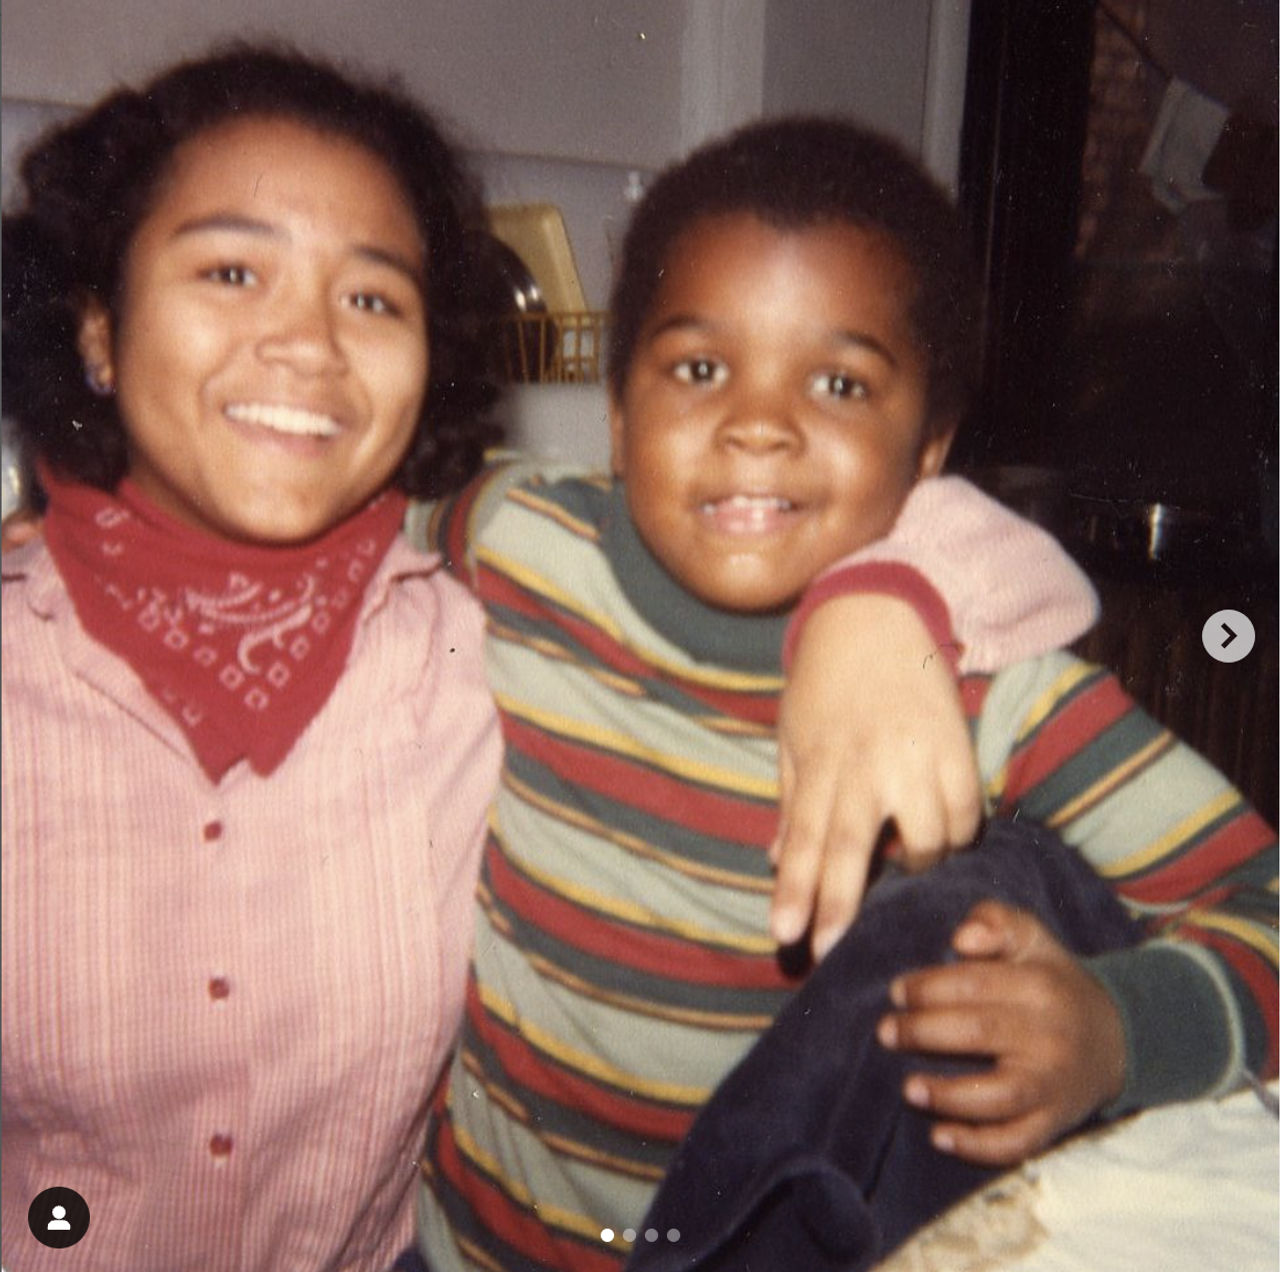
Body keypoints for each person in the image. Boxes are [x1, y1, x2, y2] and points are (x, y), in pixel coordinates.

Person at [0, 44, 1101, 1272]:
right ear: (99, 328)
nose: (306, 344)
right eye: (231, 270)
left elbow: (850, 497)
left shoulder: (495, 621)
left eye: (372, 297)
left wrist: (880, 603)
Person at [411, 117, 1278, 1272]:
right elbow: (325, 533)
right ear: (617, 412)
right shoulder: (520, 538)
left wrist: (1118, 1030)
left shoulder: (989, 692)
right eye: (698, 367)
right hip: (456, 1247)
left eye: (838, 381)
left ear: (927, 453)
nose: (758, 423)